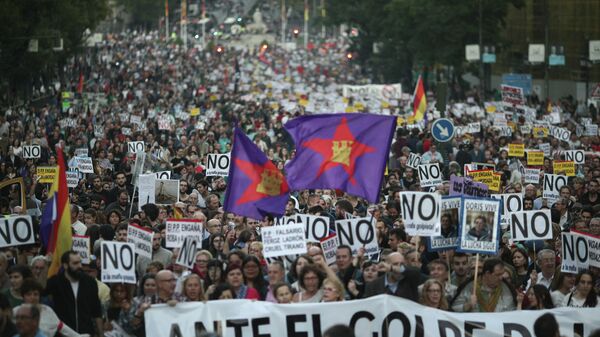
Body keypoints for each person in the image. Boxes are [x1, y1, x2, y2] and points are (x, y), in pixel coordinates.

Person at [45, 250, 103, 336]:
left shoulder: (90, 282)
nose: (79, 266)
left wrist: (101, 334)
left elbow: (96, 310)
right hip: (64, 334)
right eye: (75, 263)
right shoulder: (56, 282)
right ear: (65, 265)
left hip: (86, 333)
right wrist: (46, 267)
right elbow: (40, 292)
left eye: (80, 262)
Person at [12, 279, 81, 337]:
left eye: (35, 294)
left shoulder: (47, 310)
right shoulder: (15, 311)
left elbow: (62, 328)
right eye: (29, 294)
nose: (32, 297)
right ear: (23, 296)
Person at [451, 258, 516, 312]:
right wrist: (468, 305)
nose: (501, 278)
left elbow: (511, 311)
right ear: (487, 273)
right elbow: (454, 308)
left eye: (502, 274)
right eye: (498, 275)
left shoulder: (505, 288)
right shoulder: (470, 287)